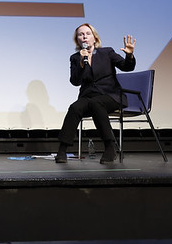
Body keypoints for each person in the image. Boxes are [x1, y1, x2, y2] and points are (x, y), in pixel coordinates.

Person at [55, 23, 136, 164]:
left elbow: (126, 67)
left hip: (111, 96)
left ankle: (110, 147)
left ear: (94, 38)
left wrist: (129, 55)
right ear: (77, 40)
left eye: (87, 33)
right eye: (81, 34)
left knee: (96, 103)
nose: (84, 36)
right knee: (75, 107)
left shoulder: (107, 53)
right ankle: (62, 150)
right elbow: (75, 81)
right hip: (88, 96)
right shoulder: (75, 58)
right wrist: (81, 63)